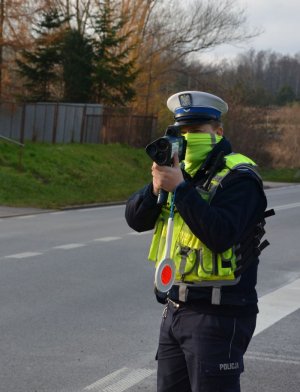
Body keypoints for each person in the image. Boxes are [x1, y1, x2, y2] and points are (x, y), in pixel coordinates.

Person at [125, 91, 272, 392]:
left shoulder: (239, 178)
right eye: (183, 130)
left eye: (197, 129)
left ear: (218, 131)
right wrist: (155, 189)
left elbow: (221, 235)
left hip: (219, 315)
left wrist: (181, 189)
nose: (188, 137)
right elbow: (136, 220)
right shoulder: (178, 171)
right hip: (175, 309)